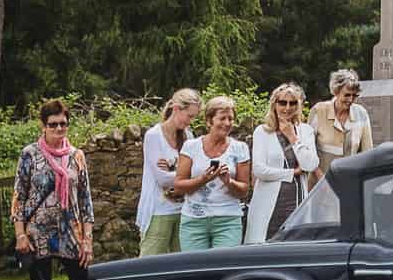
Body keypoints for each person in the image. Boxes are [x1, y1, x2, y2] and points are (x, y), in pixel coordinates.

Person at [12, 99, 95, 280]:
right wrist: (20, 235)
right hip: (38, 232)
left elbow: (85, 200)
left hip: (71, 231)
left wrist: (87, 240)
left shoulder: (76, 156)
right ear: (43, 126)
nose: (59, 129)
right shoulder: (30, 155)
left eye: (63, 124)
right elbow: (19, 196)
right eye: (53, 124)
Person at [169, 95, 251, 250]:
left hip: (227, 220)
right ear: (209, 121)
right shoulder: (190, 146)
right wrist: (203, 179)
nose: (227, 123)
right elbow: (178, 186)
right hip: (194, 220)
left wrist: (228, 181)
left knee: (224, 270)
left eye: (230, 119)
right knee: (194, 270)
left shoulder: (240, 148)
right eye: (222, 118)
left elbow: (244, 190)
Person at [246, 84, 317, 244]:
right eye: (282, 102)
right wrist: (292, 173)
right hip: (269, 203)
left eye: (293, 103)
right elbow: (259, 170)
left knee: (296, 246)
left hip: (297, 201)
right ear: (274, 104)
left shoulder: (305, 131)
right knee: (265, 246)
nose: (287, 108)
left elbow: (311, 164)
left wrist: (292, 137)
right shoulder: (262, 131)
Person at [136, 87, 199, 256]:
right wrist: (186, 173)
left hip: (183, 211)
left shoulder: (189, 136)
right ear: (177, 109)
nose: (191, 121)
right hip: (158, 211)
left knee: (182, 267)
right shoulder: (154, 136)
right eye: (190, 116)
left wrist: (180, 172)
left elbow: (194, 171)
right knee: (148, 266)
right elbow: (162, 179)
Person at [312, 68, 372, 178]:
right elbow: (309, 150)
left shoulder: (361, 113)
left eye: (354, 96)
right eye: (347, 95)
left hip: (348, 182)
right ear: (336, 92)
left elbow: (367, 154)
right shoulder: (318, 111)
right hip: (319, 184)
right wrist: (322, 179)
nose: (351, 100)